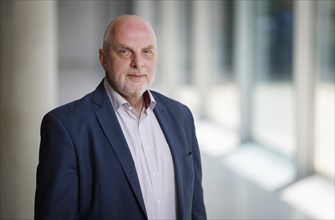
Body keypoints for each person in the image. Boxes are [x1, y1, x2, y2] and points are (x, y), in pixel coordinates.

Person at [35, 15, 207, 220]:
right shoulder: (66, 127)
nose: (138, 63)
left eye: (147, 52)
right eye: (125, 52)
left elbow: (195, 207)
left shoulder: (181, 116)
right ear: (103, 58)